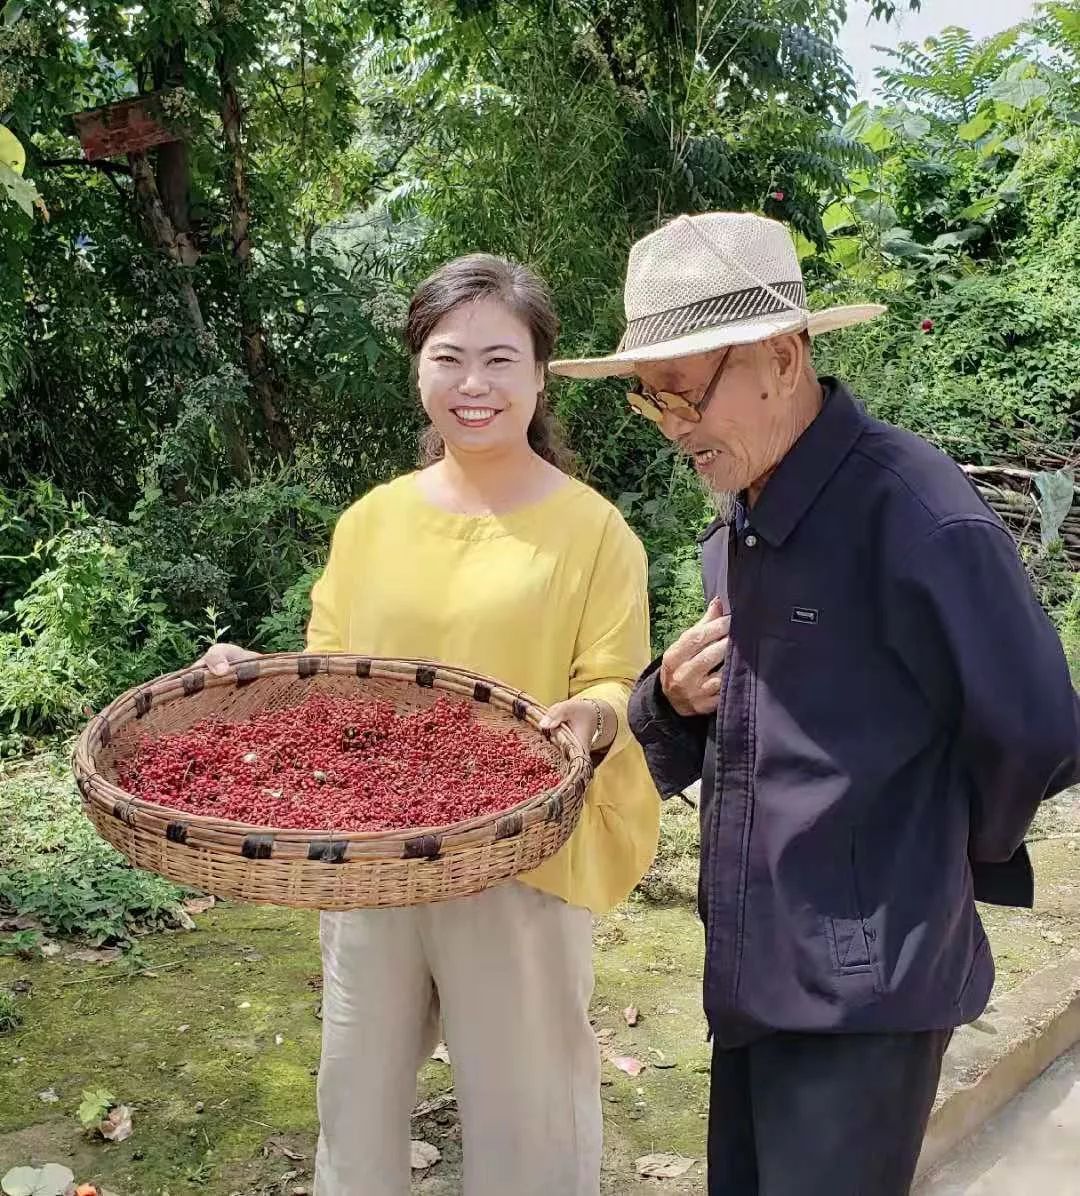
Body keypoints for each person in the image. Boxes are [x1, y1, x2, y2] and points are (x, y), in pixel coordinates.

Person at [549, 211, 1080, 1196]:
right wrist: (669, 700)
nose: (673, 426)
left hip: (862, 998)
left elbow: (1040, 728)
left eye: (684, 393)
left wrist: (925, 855)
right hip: (754, 972)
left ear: (783, 358)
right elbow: (770, 716)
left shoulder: (914, 513)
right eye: (651, 401)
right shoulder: (747, 515)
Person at [200, 254, 660, 1196]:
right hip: (370, 859)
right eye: (449, 358)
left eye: (500, 360)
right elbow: (328, 679)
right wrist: (255, 682)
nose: (473, 384)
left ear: (541, 375)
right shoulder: (372, 523)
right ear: (418, 371)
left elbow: (616, 678)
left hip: (518, 862)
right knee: (355, 1106)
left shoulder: (593, 531)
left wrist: (594, 715)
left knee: (529, 1119)